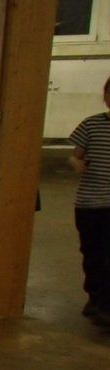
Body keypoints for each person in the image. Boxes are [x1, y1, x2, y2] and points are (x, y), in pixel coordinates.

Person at [69, 75, 110, 327]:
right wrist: (77, 163)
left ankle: (106, 305)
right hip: (90, 203)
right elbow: (75, 155)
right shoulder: (91, 124)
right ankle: (94, 297)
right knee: (92, 253)